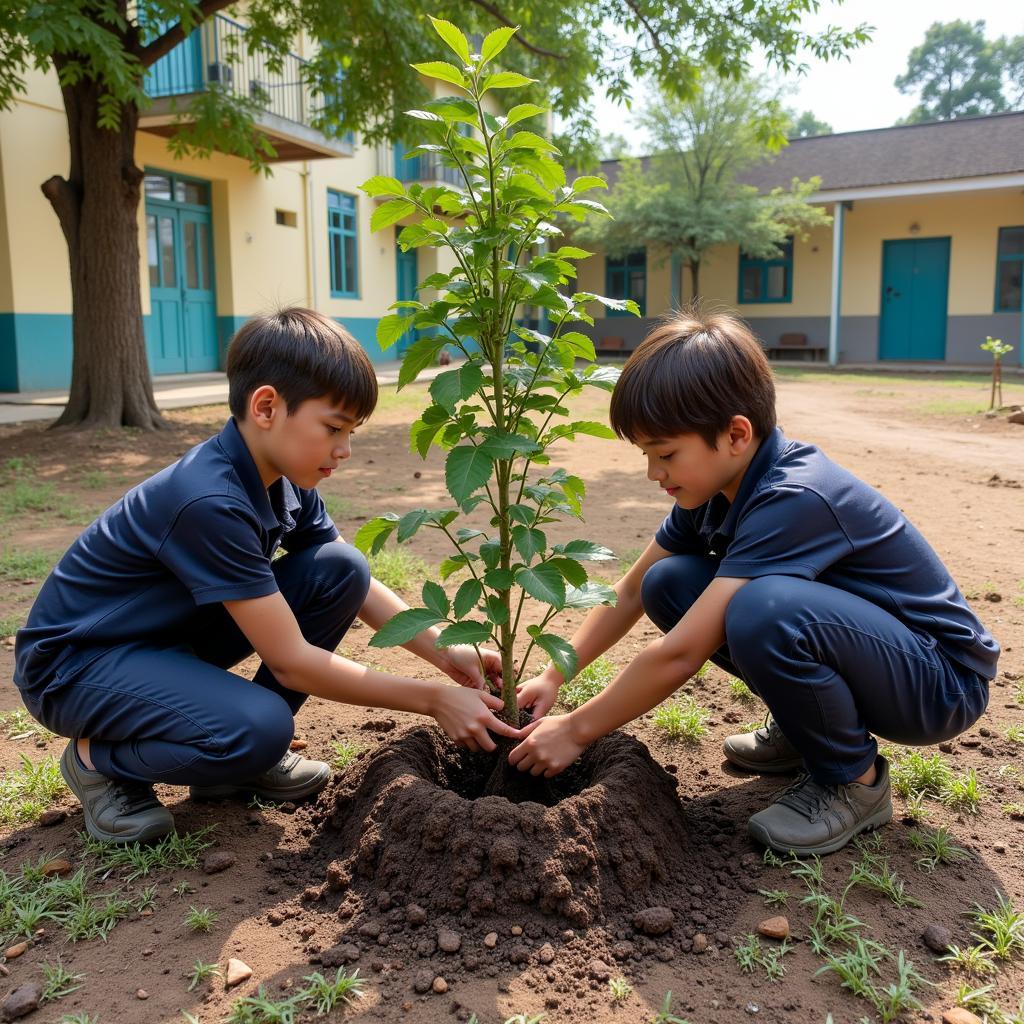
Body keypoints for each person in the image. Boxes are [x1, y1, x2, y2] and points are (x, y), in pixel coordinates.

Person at [13, 308, 519, 844]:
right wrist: (434, 697)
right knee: (262, 728)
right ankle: (99, 761)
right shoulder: (208, 499)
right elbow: (292, 663)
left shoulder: (282, 477)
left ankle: (230, 763)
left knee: (340, 569)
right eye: (333, 429)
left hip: (162, 642)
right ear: (267, 407)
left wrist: (449, 654)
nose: (344, 450)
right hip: (76, 667)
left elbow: (352, 581)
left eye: (351, 432)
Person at [511, 309, 998, 856]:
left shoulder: (793, 496)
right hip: (876, 653)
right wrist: (554, 674)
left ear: (736, 434)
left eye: (666, 454)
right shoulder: (712, 490)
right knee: (668, 582)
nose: (654, 474)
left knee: (760, 609)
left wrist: (577, 729)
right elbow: (629, 590)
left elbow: (680, 653)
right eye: (646, 455)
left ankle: (853, 783)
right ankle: (805, 728)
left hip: (938, 683)